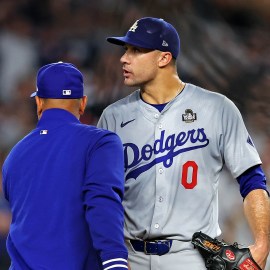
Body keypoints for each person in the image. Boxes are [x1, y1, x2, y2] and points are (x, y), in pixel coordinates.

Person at [97, 17, 270, 269]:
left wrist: (262, 243)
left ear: (164, 58)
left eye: (136, 50)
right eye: (126, 50)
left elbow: (252, 179)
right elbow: (103, 195)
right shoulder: (113, 116)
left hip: (192, 256)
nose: (124, 58)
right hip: (129, 255)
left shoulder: (216, 108)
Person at [2, 62, 129, 270]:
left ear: (39, 103)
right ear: (83, 103)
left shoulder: (14, 154)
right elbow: (102, 202)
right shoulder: (99, 142)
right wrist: (115, 261)